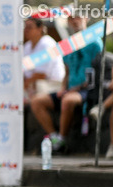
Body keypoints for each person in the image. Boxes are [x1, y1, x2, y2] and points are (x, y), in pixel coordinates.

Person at [28, 14, 102, 154]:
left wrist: (77, 88)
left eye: (78, 17)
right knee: (37, 101)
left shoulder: (95, 43)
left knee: (67, 101)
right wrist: (63, 88)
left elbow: (96, 72)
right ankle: (55, 137)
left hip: (88, 90)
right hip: (70, 89)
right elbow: (67, 72)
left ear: (86, 19)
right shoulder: (68, 44)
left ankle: (62, 139)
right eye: (71, 18)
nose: (74, 21)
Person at [22, 16, 65, 105]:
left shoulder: (47, 44)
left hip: (52, 85)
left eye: (30, 27)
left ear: (40, 29)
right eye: (25, 27)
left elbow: (41, 74)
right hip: (33, 86)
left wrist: (23, 86)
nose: (26, 30)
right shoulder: (27, 46)